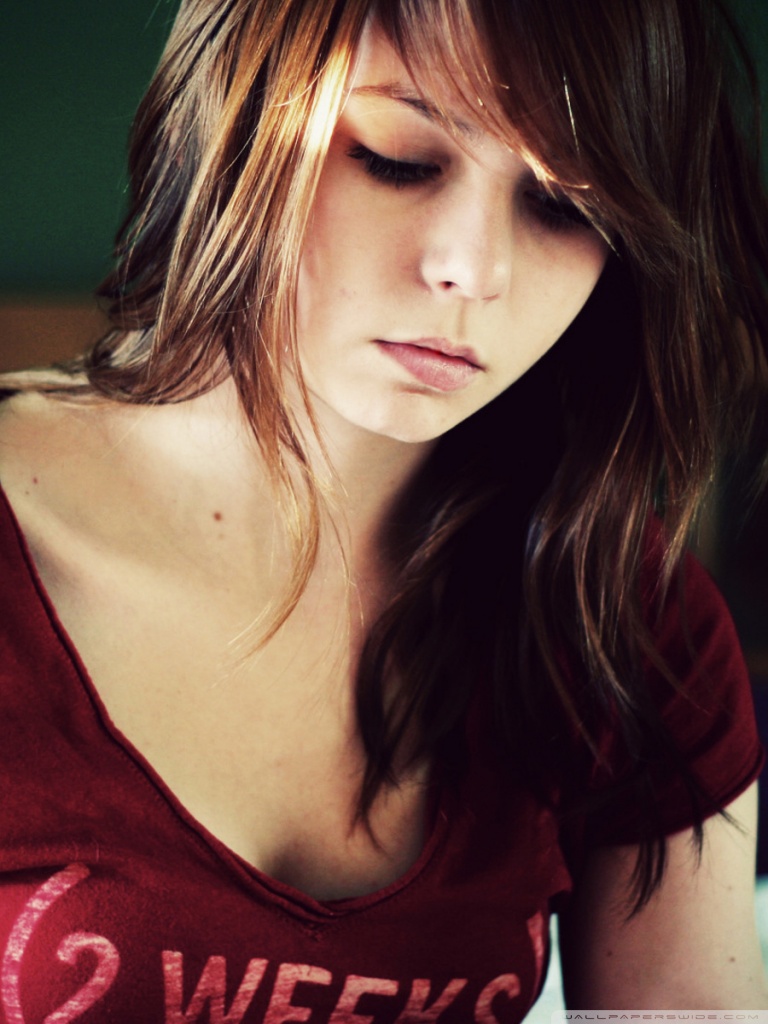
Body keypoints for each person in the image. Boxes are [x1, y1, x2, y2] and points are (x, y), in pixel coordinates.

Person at [0, 0, 766, 1017]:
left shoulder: (623, 623)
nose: (473, 272)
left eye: (562, 206)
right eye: (397, 160)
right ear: (235, 119)